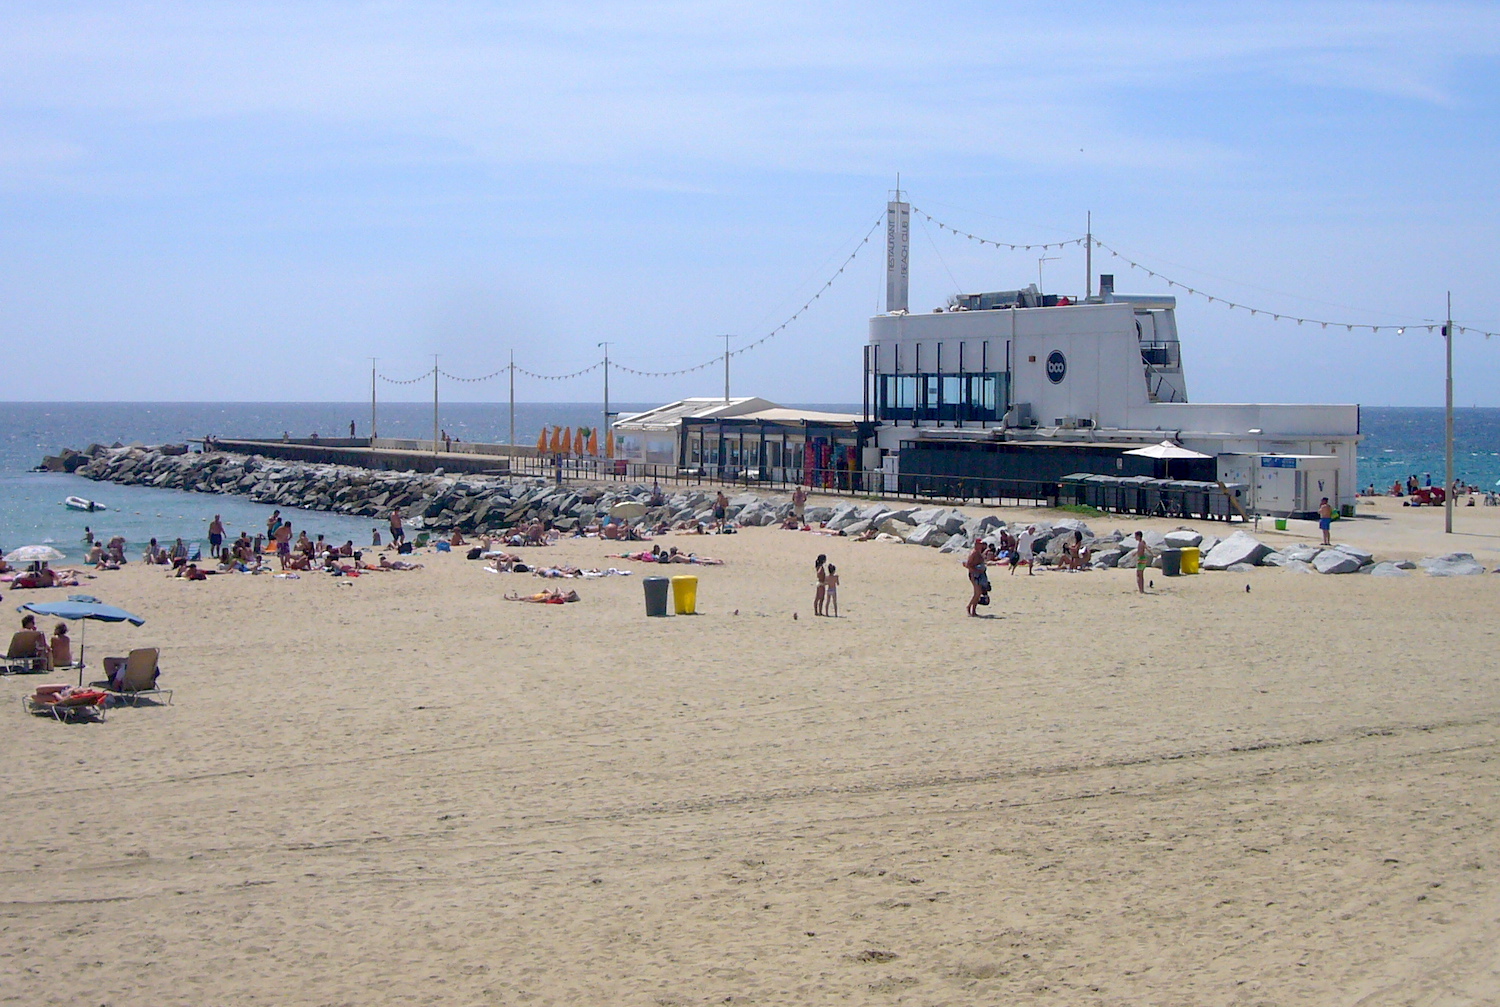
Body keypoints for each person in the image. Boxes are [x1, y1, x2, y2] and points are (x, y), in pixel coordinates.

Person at [964, 539, 988, 617]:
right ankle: (968, 607)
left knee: (979, 593)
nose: (981, 545)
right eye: (979, 544)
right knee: (977, 593)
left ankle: (973, 611)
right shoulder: (973, 553)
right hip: (974, 575)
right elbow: (968, 565)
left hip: (980, 575)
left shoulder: (979, 552)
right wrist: (977, 570)